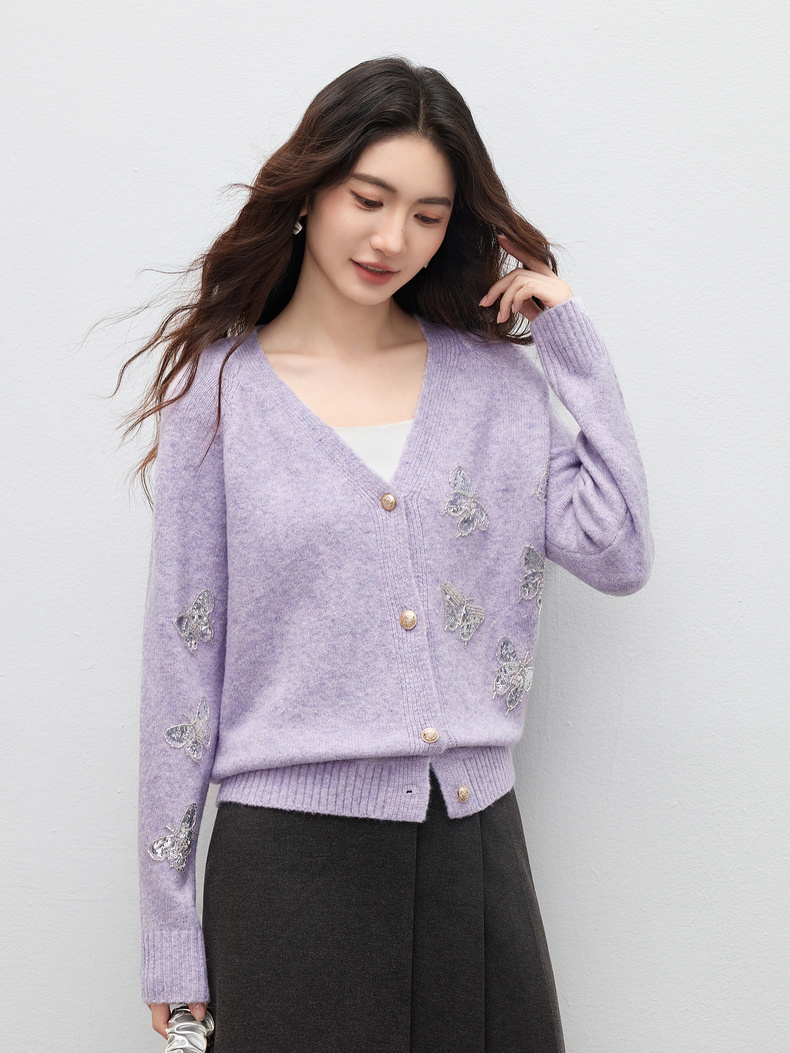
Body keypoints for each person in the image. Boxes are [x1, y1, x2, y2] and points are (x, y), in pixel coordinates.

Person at [120, 55, 654, 1053]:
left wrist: (569, 341)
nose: (390, 239)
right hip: (286, 867)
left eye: (427, 215)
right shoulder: (217, 397)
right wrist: (168, 938)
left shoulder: (493, 387)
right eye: (368, 199)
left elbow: (618, 548)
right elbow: (179, 675)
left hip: (473, 850)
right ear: (309, 191)